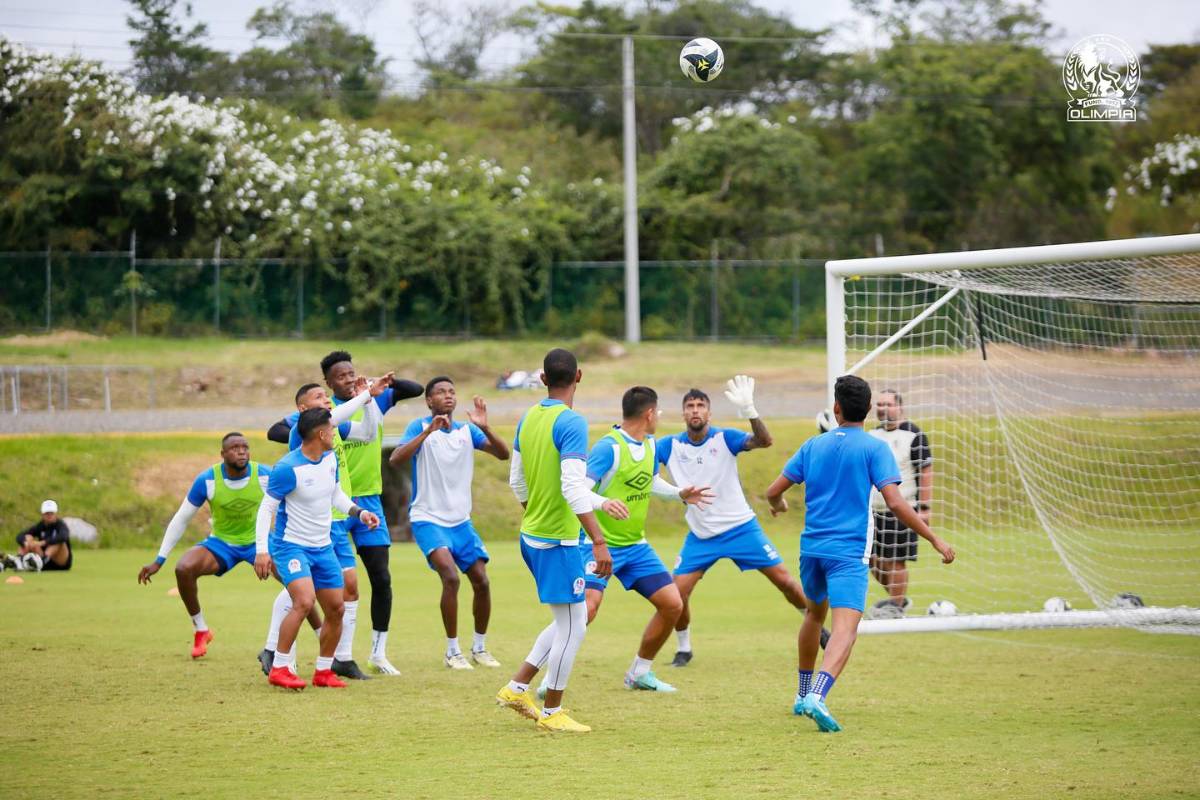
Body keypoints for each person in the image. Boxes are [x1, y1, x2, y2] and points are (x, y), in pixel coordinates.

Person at [766, 375, 955, 733]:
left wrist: (779, 504)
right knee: (846, 630)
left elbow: (773, 491)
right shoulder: (874, 448)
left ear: (835, 409)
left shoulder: (812, 445)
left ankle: (802, 692)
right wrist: (934, 539)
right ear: (868, 410)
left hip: (812, 550)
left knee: (813, 615)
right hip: (848, 552)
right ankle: (818, 696)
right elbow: (896, 503)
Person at [494, 348, 619, 733]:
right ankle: (552, 712)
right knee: (574, 626)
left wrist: (540, 511)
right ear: (578, 377)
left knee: (569, 618)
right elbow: (571, 487)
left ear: (543, 379)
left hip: (532, 536)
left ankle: (517, 686)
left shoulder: (528, 417)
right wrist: (597, 540)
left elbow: (517, 480)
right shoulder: (572, 423)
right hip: (558, 542)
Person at [657, 377, 819, 667]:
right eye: (690, 406)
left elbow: (764, 441)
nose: (695, 411)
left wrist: (750, 411)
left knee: (785, 581)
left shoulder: (725, 439)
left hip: (740, 528)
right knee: (677, 593)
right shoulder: (668, 446)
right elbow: (641, 465)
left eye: (700, 406)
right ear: (683, 414)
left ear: (709, 413)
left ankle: (816, 626)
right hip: (701, 535)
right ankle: (684, 648)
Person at [569, 386, 713, 694]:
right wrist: (603, 504)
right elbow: (578, 490)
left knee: (672, 604)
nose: (659, 417)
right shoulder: (609, 447)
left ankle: (639, 672)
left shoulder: (650, 444)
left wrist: (679, 493)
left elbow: (650, 481)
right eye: (657, 412)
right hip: (597, 545)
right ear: (648, 414)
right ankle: (549, 674)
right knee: (587, 609)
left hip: (635, 546)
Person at [259, 375, 390, 680]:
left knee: (337, 607)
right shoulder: (289, 465)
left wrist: (359, 513)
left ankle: (324, 671)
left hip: (324, 544)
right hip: (292, 545)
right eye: (330, 428)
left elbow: (335, 494)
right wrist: (262, 551)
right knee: (303, 601)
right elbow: (266, 510)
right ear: (320, 431)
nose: (335, 431)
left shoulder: (330, 457)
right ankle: (278, 664)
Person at [389, 376, 510, 670]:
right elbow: (395, 458)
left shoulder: (467, 431)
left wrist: (485, 427)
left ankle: (479, 648)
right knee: (451, 577)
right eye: (441, 392)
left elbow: (503, 454)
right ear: (429, 401)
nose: (448, 396)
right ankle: (452, 651)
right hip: (427, 518)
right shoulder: (418, 427)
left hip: (461, 522)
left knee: (481, 581)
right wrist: (428, 432)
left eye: (452, 392)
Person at [320, 351, 422, 675]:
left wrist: (384, 383)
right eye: (341, 376)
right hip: (333, 503)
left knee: (381, 576)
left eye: (352, 373)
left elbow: (415, 389)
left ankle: (378, 653)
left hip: (368, 503)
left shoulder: (372, 400)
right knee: (336, 583)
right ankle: (332, 652)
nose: (348, 379)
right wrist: (366, 394)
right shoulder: (326, 415)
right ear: (328, 383)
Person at [137, 433, 272, 658]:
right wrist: (159, 559)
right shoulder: (207, 480)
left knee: (296, 582)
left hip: (259, 542)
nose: (241, 451)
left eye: (245, 447)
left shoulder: (266, 475)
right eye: (234, 448)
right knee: (183, 568)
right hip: (221, 543)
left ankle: (320, 638)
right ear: (222, 454)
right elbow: (181, 519)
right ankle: (201, 629)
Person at [866, 390, 933, 617]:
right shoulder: (871, 435)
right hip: (873, 510)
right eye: (880, 404)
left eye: (888, 404)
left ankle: (895, 607)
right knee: (871, 560)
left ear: (900, 408)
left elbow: (925, 471)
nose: (883, 408)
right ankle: (899, 601)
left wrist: (924, 507)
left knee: (895, 559)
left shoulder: (914, 435)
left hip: (903, 508)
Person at [10, 500, 72, 572]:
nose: (49, 515)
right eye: (47, 513)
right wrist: (25, 543)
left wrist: (43, 542)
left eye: (51, 513)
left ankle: (42, 561)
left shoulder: (61, 525)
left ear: (56, 514)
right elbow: (20, 536)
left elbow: (63, 536)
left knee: (58, 542)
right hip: (43, 560)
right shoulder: (40, 525)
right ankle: (19, 561)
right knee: (28, 537)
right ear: (42, 514)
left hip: (61, 563)